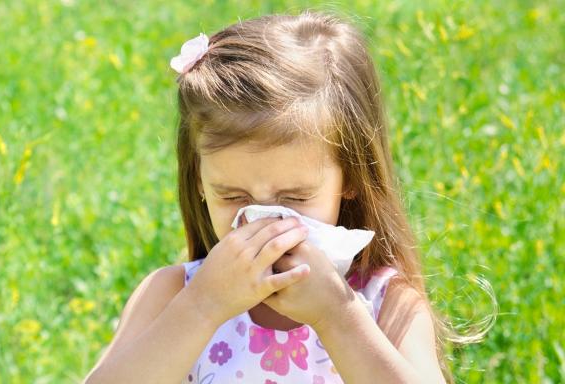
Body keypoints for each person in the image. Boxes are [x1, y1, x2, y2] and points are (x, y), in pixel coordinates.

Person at [85, 10, 453, 383]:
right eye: (232, 196)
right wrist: (203, 307)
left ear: (350, 177)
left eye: (295, 198)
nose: (262, 222)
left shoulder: (383, 302)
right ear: (199, 180)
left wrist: (335, 316)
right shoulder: (172, 295)